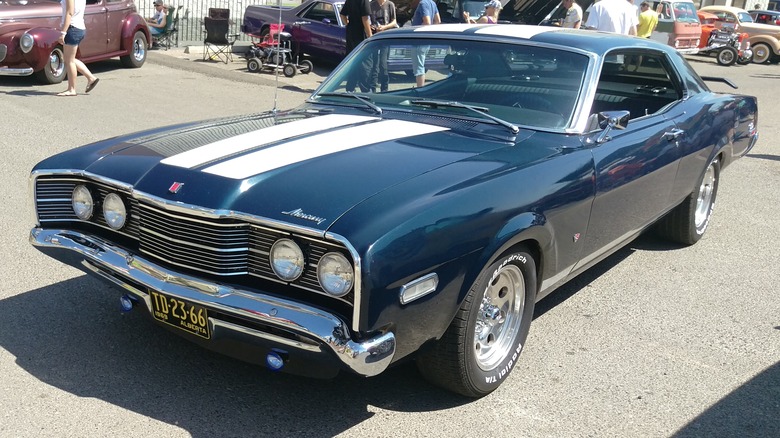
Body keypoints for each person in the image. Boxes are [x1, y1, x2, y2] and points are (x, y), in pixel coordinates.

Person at [56, 0, 98, 96]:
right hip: (79, 27)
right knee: (70, 59)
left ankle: (72, 89)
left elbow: (69, 13)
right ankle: (91, 78)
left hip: (72, 28)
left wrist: (63, 32)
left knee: (69, 61)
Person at [341, 0, 374, 92]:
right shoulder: (364, 1)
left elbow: (343, 15)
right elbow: (365, 18)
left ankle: (350, 89)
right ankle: (366, 90)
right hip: (360, 35)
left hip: (351, 34)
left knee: (352, 62)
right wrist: (370, 36)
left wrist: (348, 25)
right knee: (366, 63)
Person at [369, 0, 398, 92]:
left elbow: (394, 22)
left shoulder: (390, 5)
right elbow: (367, 19)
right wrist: (371, 26)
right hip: (374, 37)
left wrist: (384, 27)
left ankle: (384, 90)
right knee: (374, 65)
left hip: (385, 38)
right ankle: (373, 89)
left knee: (383, 64)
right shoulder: (371, 5)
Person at [411, 0, 440, 87]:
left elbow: (427, 22)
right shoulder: (432, 3)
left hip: (419, 40)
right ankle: (421, 87)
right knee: (421, 65)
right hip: (426, 40)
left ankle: (420, 89)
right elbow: (438, 20)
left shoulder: (423, 3)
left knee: (419, 67)